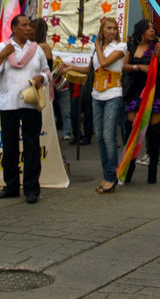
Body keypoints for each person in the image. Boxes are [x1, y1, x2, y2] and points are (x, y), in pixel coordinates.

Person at [0, 14, 49, 204]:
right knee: (10, 146)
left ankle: (31, 189)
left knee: (31, 147)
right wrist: (3, 57)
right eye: (24, 25)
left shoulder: (37, 50)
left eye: (30, 25)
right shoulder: (2, 48)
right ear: (14, 28)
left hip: (30, 104)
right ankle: (11, 186)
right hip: (9, 104)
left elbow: (46, 71)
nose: (29, 28)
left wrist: (41, 79)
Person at [64, 17, 126, 193]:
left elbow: (105, 63)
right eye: (109, 28)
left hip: (113, 93)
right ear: (102, 30)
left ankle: (110, 176)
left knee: (108, 135)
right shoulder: (95, 48)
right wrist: (71, 67)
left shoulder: (121, 47)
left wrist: (98, 46)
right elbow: (92, 70)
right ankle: (107, 172)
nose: (112, 31)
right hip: (96, 94)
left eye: (115, 28)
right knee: (99, 136)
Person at [122, 19, 160, 184]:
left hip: (154, 92)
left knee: (154, 133)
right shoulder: (131, 47)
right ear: (141, 31)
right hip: (135, 92)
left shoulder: (158, 48)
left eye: (153, 29)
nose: (152, 31)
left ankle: (152, 172)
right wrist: (138, 67)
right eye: (148, 29)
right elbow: (124, 66)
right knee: (131, 132)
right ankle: (128, 170)